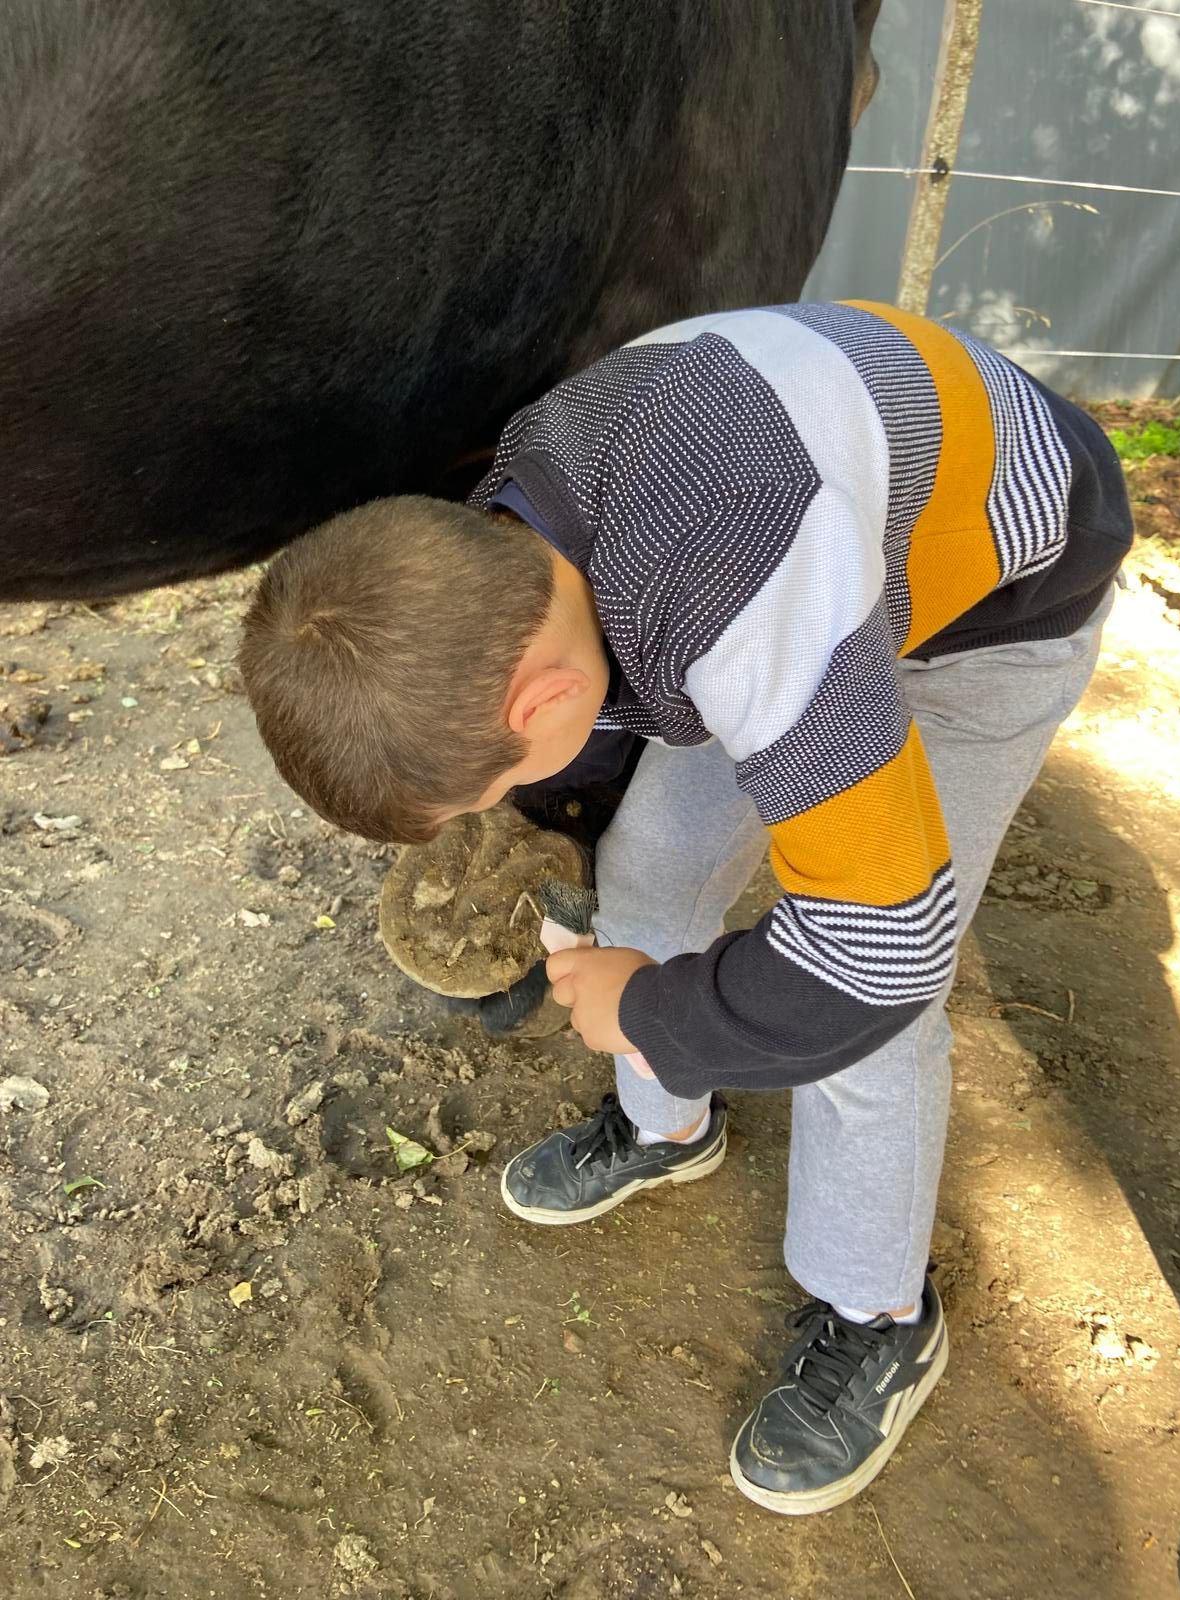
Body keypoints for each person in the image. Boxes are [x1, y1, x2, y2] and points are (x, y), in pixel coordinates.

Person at [238, 301, 1131, 1514]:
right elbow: (615, 718)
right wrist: (566, 875)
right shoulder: (510, 532)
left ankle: (878, 1309)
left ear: (544, 696)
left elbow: (877, 950)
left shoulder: (737, 594)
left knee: (885, 1005)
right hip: (819, 542)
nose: (502, 805)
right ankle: (670, 1129)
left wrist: (662, 1008)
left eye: (496, 785)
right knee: (656, 861)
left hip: (989, 600)